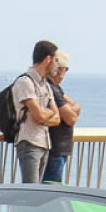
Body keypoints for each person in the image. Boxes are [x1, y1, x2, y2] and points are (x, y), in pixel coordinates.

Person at [11, 40, 61, 184]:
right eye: (55, 60)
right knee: (30, 191)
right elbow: (39, 116)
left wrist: (45, 114)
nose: (57, 64)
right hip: (29, 142)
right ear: (47, 59)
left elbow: (57, 118)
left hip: (44, 142)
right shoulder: (25, 82)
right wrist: (47, 113)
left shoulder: (45, 85)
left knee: (38, 193)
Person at [43, 52, 81, 184]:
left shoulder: (56, 89)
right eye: (66, 69)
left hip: (58, 150)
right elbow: (71, 118)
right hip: (55, 150)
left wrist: (72, 109)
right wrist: (72, 109)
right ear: (60, 69)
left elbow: (76, 108)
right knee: (52, 191)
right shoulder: (52, 89)